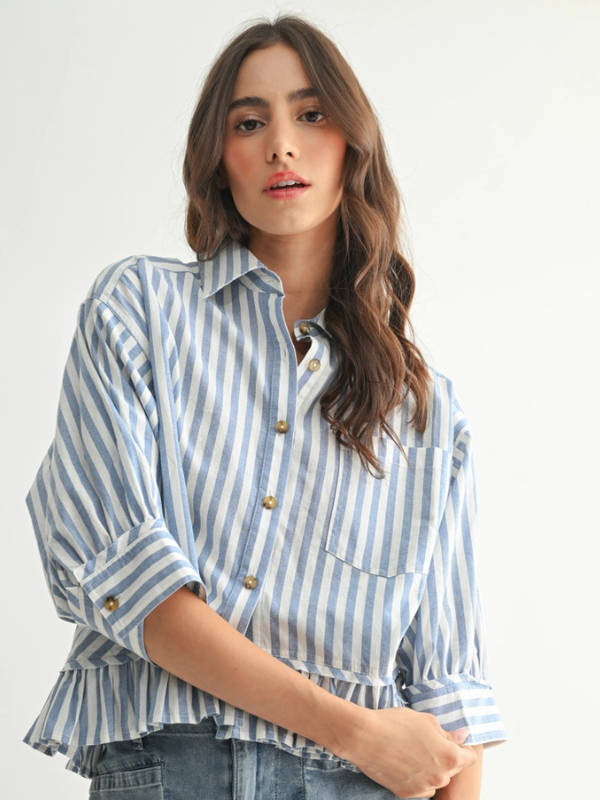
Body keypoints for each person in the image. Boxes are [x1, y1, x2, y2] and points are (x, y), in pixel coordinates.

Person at [23, 14, 505, 800]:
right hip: (181, 764)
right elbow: (127, 580)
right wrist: (353, 728)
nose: (283, 143)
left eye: (311, 114)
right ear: (220, 160)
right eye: (250, 122)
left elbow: (450, 698)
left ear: (354, 143)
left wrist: (386, 745)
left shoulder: (423, 412)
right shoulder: (139, 311)